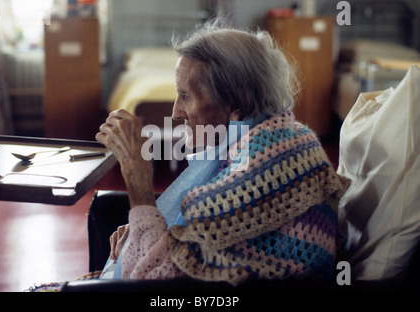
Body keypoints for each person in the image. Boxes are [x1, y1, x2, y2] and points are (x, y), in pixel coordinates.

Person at [93, 19, 350, 286]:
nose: (175, 113)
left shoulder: (262, 168)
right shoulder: (277, 138)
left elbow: (153, 282)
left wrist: (138, 182)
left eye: (186, 96)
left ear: (235, 102)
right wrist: (144, 228)